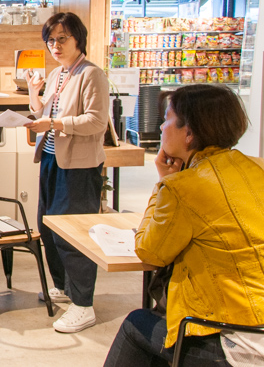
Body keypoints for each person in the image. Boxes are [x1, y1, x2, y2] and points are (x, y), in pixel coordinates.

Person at [105, 85, 264, 367]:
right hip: (256, 325)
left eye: (167, 118)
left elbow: (149, 251)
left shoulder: (184, 187)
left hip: (234, 341)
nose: (161, 126)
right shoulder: (257, 167)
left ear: (188, 133)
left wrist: (164, 181)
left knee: (136, 324)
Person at [23, 12, 110, 333]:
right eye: (50, 40)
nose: (55, 46)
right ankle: (63, 286)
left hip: (79, 166)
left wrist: (55, 123)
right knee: (47, 227)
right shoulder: (59, 73)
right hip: (51, 160)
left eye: (62, 39)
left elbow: (96, 121)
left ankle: (84, 305)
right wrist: (34, 93)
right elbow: (44, 113)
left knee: (73, 235)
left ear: (78, 39)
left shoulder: (91, 74)